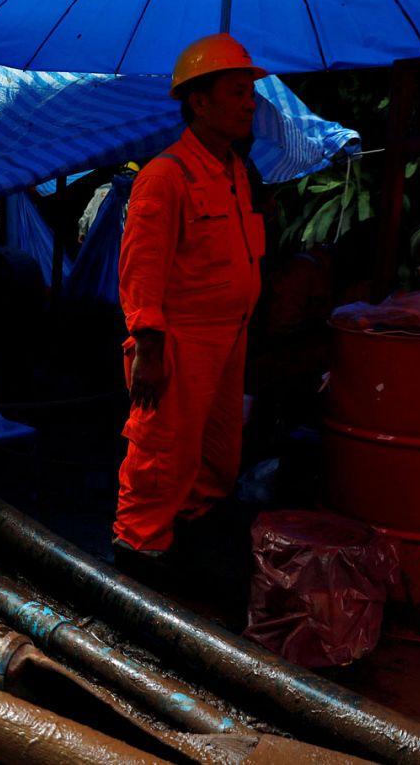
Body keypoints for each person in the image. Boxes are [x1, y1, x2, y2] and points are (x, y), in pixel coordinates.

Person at [113, 34, 267, 572]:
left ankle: (189, 537)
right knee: (163, 454)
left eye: (250, 92)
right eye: (237, 92)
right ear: (199, 102)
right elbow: (140, 272)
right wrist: (149, 350)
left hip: (230, 337)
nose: (250, 104)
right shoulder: (165, 176)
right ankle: (138, 553)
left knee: (218, 457)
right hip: (180, 341)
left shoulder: (236, 172)